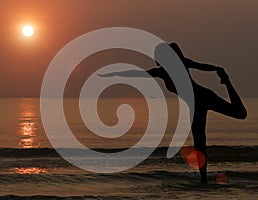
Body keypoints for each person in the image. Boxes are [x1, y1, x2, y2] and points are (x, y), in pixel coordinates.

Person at [98, 42, 247, 183]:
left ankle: (227, 82)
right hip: (195, 105)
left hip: (203, 97)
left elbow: (203, 66)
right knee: (199, 141)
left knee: (240, 114)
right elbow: (137, 73)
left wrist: (219, 70)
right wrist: (113, 74)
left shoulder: (182, 64)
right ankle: (204, 178)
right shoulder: (162, 71)